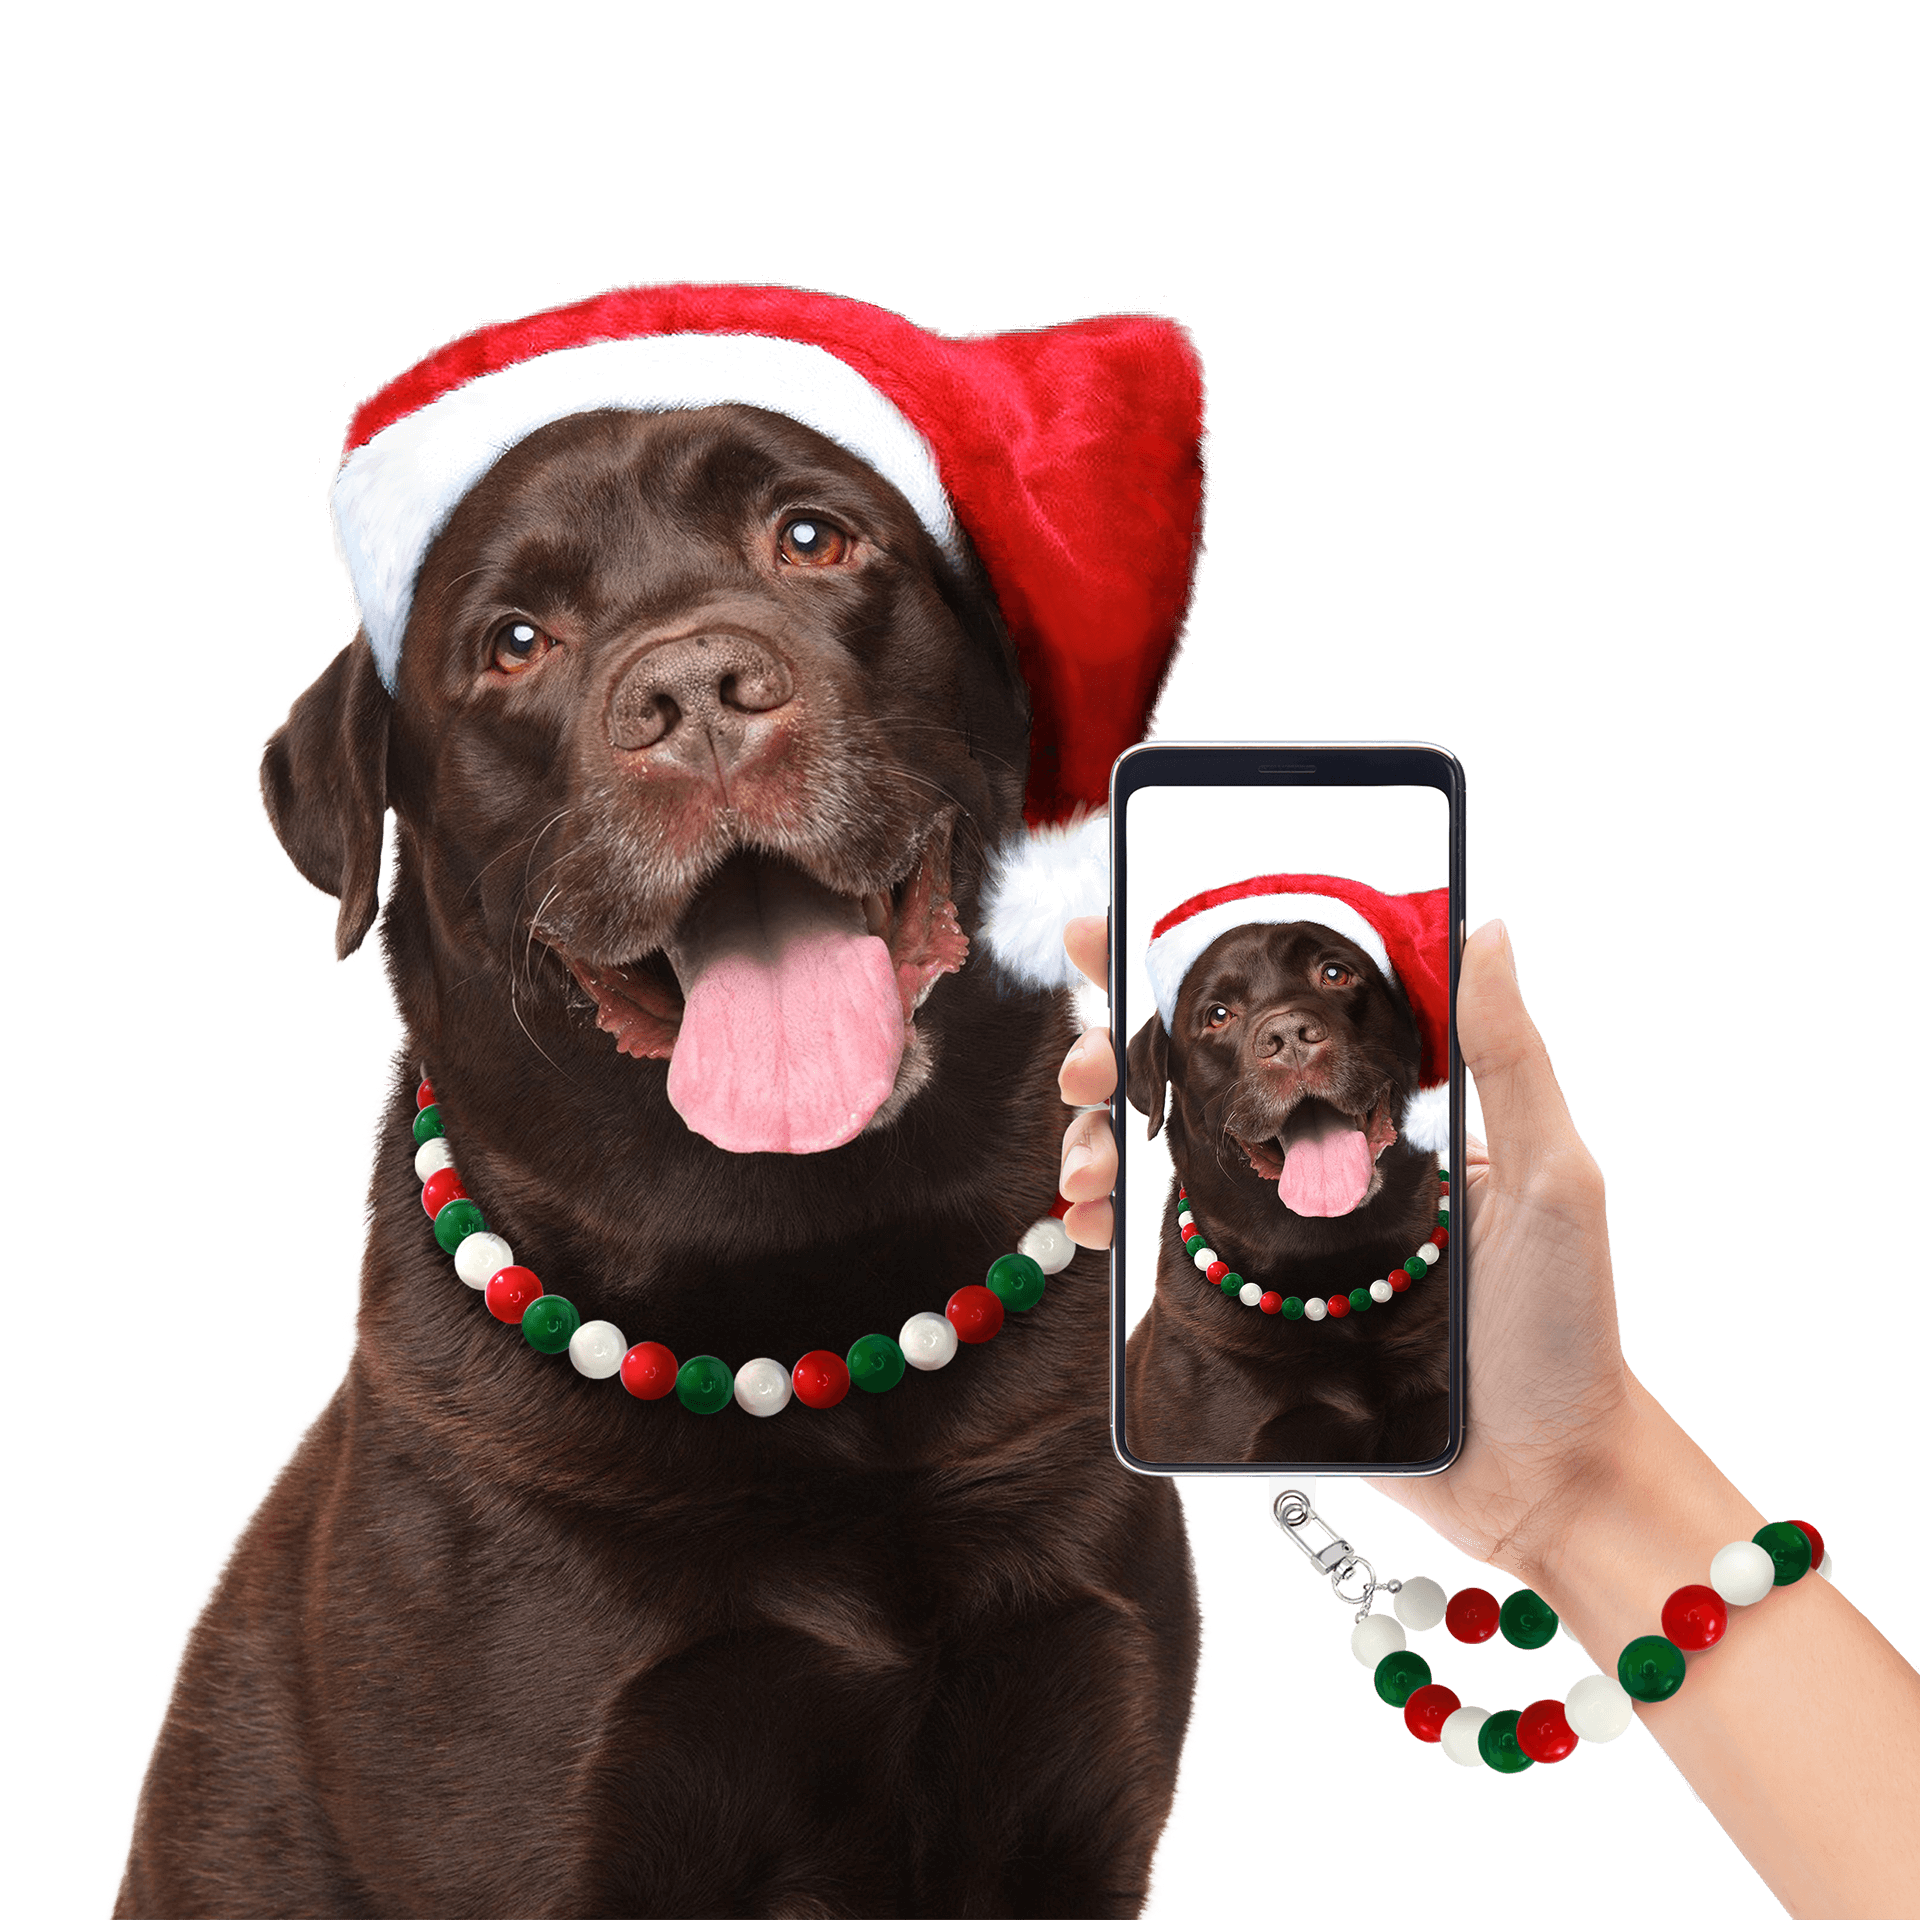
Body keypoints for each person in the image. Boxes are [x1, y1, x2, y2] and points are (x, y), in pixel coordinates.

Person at [1057, 914, 1919, 1918]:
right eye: (1220, 1014)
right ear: (1168, 1095)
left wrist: (1582, 1468)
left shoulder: (1475, 1262)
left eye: (1336, 978)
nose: (1286, 1028)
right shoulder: (1147, 1386)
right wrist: (1582, 1488)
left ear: (1410, 1040)